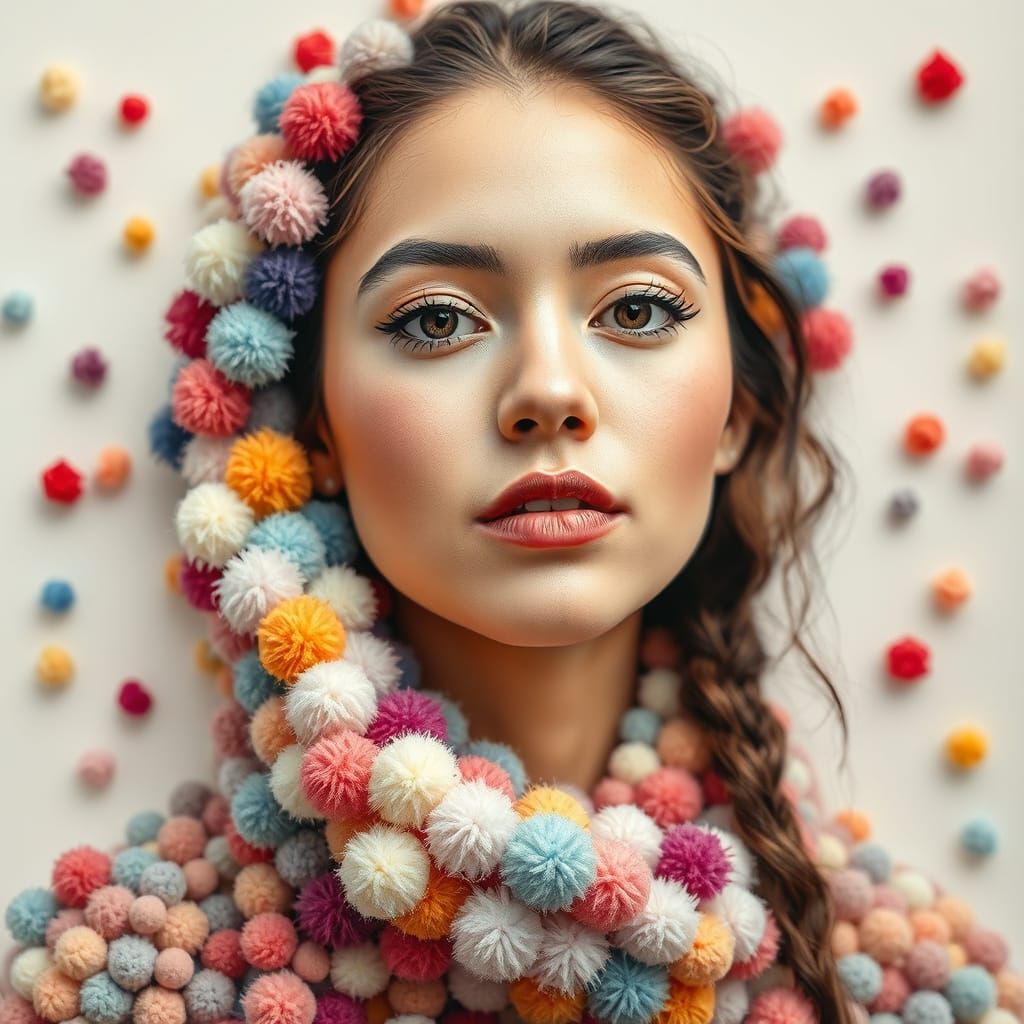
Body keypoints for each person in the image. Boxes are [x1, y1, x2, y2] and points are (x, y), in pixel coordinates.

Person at [4, 4, 1019, 1024]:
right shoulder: (115, 985)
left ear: (736, 410)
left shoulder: (910, 992)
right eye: (437, 318)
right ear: (312, 426)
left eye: (635, 309)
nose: (548, 391)